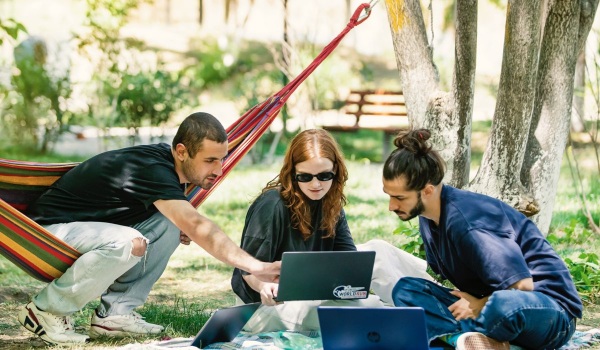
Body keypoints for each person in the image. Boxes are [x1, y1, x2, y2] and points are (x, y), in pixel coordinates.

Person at [19, 112, 280, 346]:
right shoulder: (153, 170)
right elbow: (199, 226)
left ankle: (115, 315)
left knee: (170, 223)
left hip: (85, 229)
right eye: (210, 160)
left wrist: (185, 223)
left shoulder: (172, 170)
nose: (219, 170)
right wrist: (256, 266)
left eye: (221, 159)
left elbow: (184, 221)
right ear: (181, 151)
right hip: (45, 233)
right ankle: (45, 310)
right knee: (129, 241)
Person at [382, 129, 582, 350]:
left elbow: (523, 286)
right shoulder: (428, 218)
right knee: (407, 290)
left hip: (548, 313)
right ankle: (470, 341)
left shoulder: (470, 223)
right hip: (488, 308)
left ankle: (472, 338)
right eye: (389, 195)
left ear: (427, 191)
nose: (392, 206)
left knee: (502, 305)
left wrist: (479, 304)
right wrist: (472, 303)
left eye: (399, 198)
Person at [230, 128, 431, 333]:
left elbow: (348, 260)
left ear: (336, 171)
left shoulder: (330, 202)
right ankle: (411, 320)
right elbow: (248, 270)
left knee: (378, 251)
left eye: (324, 175)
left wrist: (353, 285)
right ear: (292, 173)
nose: (316, 184)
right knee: (367, 309)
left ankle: (440, 305)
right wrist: (264, 287)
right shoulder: (272, 205)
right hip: (266, 307)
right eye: (305, 177)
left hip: (315, 287)